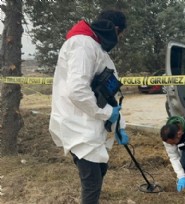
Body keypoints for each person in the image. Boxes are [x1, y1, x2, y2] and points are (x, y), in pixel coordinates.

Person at [49, 9, 129, 204]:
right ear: (115, 29)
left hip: (88, 122)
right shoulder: (82, 44)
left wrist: (118, 124)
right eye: (120, 35)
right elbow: (77, 91)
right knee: (92, 180)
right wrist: (108, 113)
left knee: (100, 169)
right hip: (78, 124)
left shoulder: (93, 45)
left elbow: (103, 90)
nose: (119, 39)